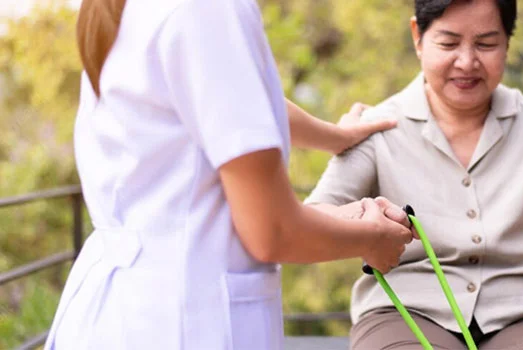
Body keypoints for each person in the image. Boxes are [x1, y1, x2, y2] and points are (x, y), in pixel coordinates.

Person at [44, 0, 415, 349]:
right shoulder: (210, 10)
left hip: (119, 310)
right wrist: (373, 238)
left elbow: (233, 94)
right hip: (182, 319)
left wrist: (335, 137)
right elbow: (273, 232)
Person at [304, 0, 523, 349]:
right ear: (418, 37)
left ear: (507, 43)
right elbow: (316, 216)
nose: (467, 62)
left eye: (485, 44)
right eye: (449, 43)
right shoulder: (376, 127)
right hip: (405, 312)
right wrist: (364, 221)